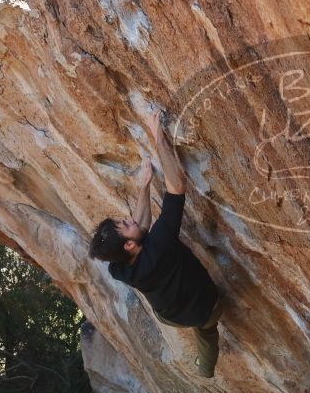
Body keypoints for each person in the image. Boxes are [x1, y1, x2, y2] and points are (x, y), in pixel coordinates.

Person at [88, 110, 223, 378]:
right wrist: (157, 134)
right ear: (128, 246)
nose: (128, 219)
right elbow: (177, 185)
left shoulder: (119, 268)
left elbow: (140, 226)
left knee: (202, 328)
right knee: (207, 325)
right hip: (207, 306)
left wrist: (145, 186)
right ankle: (205, 362)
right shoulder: (160, 244)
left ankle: (206, 369)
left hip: (171, 316)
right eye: (124, 224)